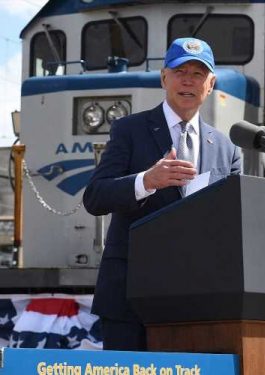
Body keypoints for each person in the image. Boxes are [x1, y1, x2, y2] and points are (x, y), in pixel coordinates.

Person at [83, 37, 241, 351]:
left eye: (198, 74)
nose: (188, 80)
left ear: (210, 84)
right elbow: (95, 197)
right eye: (180, 70)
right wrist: (147, 180)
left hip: (198, 301)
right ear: (163, 78)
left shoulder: (227, 148)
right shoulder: (129, 130)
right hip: (131, 296)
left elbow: (234, 223)